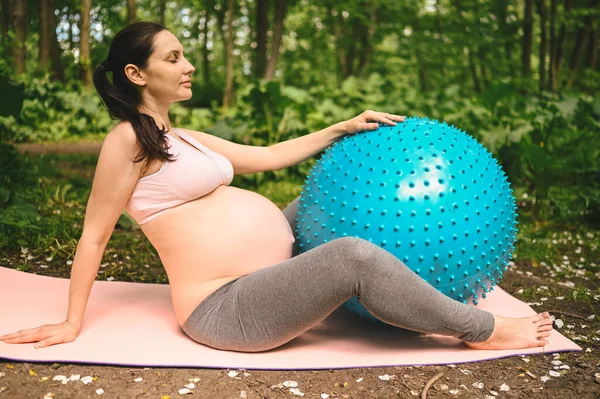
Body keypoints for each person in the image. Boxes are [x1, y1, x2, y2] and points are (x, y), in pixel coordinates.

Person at [0, 22, 553, 353]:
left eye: (185, 55)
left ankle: (403, 297)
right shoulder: (126, 140)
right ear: (136, 75)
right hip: (226, 308)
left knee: (312, 205)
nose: (189, 65)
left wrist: (341, 126)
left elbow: (266, 157)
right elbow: (94, 236)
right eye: (174, 58)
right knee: (353, 253)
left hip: (262, 277)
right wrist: (72, 322)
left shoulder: (182, 135)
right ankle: (481, 330)